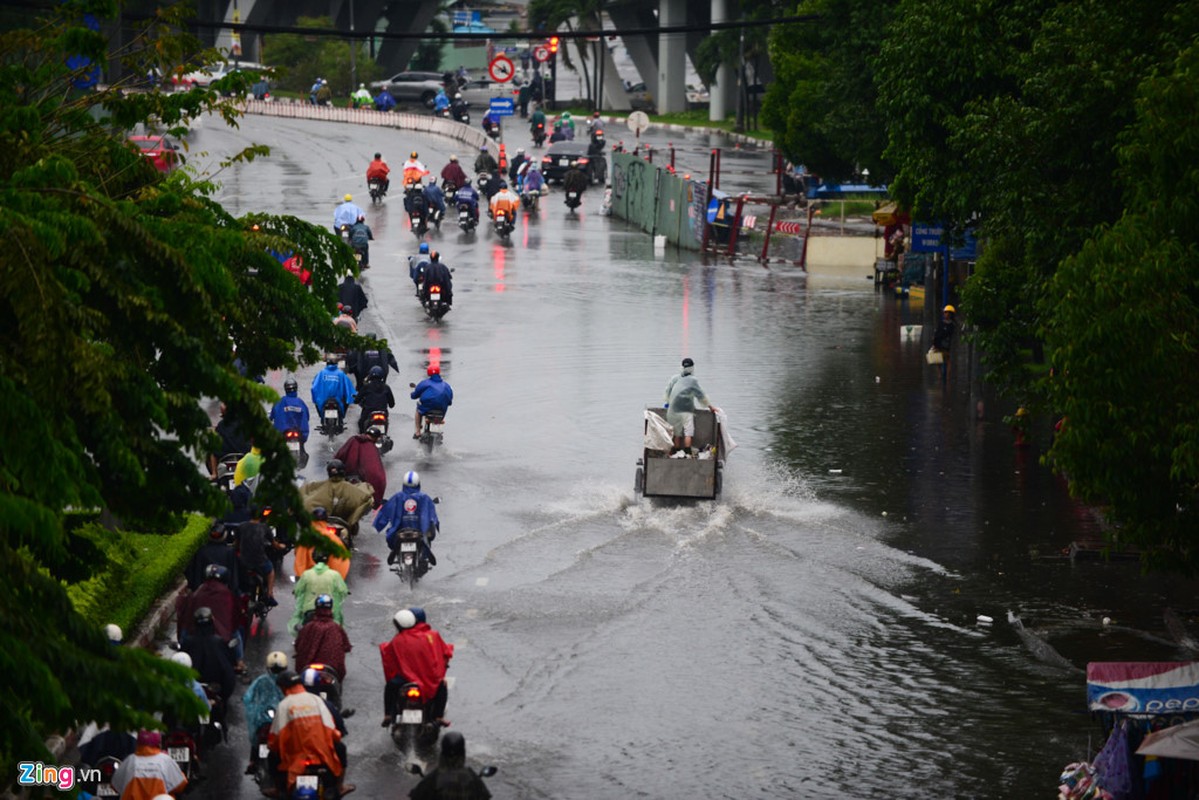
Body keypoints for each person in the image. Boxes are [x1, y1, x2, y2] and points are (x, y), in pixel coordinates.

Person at [267, 670, 352, 797]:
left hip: (295, 757)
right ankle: (340, 787)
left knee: (272, 756)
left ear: (283, 688)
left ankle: (277, 789)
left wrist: (273, 747)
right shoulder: (317, 700)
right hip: (322, 754)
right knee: (341, 748)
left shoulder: (284, 705)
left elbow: (275, 738)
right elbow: (333, 730)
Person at [379, 608, 453, 728]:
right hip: (429, 680)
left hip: (405, 679)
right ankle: (439, 717)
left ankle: (388, 715)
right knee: (442, 685)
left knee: (390, 686)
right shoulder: (432, 635)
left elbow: (389, 658)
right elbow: (444, 653)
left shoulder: (397, 640)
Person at [178, 565, 245, 670]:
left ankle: (181, 653)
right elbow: (235, 619)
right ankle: (239, 662)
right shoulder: (228, 595)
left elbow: (185, 618)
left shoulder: (196, 593)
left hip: (195, 633)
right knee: (237, 632)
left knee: (184, 632)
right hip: (222, 636)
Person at [374, 471, 440, 566]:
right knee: (428, 534)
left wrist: (378, 525)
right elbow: (432, 514)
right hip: (419, 531)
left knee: (392, 536)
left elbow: (385, 512)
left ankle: (395, 550)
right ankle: (425, 551)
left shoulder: (397, 497)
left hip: (400, 531)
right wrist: (435, 523)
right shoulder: (424, 497)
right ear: (418, 484)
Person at [408, 731, 492, 800]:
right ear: (462, 753)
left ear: (443, 752)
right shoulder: (472, 778)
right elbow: (485, 796)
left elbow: (415, 796)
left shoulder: (433, 778)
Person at [242, 651, 289, 774]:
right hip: (279, 718)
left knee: (257, 734)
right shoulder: (288, 680)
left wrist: (252, 708)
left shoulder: (262, 680)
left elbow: (248, 697)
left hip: (264, 717)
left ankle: (253, 761)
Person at [663, 357, 721, 456]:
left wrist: (667, 404)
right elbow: (701, 395)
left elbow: (667, 391)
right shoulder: (693, 380)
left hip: (673, 409)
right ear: (692, 368)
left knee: (677, 432)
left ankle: (676, 451)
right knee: (688, 432)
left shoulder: (674, 378)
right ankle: (687, 452)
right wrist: (711, 407)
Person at [180, 606, 236, 706]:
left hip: (199, 692)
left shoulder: (188, 642)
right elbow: (228, 673)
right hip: (210, 692)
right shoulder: (219, 642)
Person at [110, 730, 188, 800]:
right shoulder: (165, 760)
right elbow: (180, 785)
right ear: (158, 743)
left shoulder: (129, 761)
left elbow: (115, 786)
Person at [299, 460, 375, 530]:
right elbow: (365, 498)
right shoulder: (352, 489)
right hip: (341, 523)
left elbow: (304, 494)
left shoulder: (318, 486)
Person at [289, 551, 348, 636]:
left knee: (302, 631)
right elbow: (343, 590)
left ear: (313, 559)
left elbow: (298, 589)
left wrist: (296, 591)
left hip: (309, 610)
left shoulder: (306, 574)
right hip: (329, 610)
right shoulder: (335, 575)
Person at [294, 594, 352, 679]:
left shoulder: (308, 627)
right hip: (331, 669)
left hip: (308, 668)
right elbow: (346, 646)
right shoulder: (336, 628)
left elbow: (298, 645)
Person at [236, 504, 278, 607]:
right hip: (260, 561)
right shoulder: (264, 527)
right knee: (271, 571)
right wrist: (281, 546)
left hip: (244, 561)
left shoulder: (241, 526)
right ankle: (270, 594)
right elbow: (274, 544)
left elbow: (236, 543)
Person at [293, 507, 351, 581]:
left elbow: (300, 560)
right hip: (329, 581)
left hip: (309, 580)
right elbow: (342, 561)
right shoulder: (334, 539)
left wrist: (301, 578)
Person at [334, 427, 387, 507]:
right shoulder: (371, 448)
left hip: (347, 478)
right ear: (376, 439)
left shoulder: (353, 440)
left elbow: (340, 454)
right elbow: (376, 473)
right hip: (361, 483)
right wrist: (377, 500)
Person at [184, 520, 240, 593]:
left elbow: (192, 574)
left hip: (203, 593)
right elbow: (235, 576)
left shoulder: (201, 551)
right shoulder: (230, 552)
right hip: (224, 594)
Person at [208, 401, 251, 479]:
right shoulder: (245, 423)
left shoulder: (221, 425)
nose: (221, 406)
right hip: (244, 458)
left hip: (226, 460)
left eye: (224, 403)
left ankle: (214, 474)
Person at [310, 356, 356, 427]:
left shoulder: (321, 373)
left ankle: (323, 419)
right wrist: (352, 396)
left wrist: (315, 398)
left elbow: (314, 387)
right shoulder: (341, 374)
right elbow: (348, 387)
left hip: (323, 400)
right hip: (338, 400)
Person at [353, 366, 396, 433]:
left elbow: (357, 400)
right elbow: (392, 404)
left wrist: (357, 400)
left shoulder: (367, 387)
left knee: (360, 423)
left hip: (368, 411)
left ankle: (362, 439)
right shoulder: (386, 387)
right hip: (383, 412)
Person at [270, 379, 310, 450]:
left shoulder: (280, 401)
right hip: (299, 432)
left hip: (283, 432)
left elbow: (273, 415)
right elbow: (307, 416)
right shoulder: (300, 402)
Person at [931, 304, 956, 384]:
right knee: (941, 360)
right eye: (946, 313)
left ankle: (943, 376)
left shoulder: (949, 325)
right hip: (942, 344)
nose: (947, 314)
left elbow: (939, 334)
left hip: (943, 344)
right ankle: (943, 376)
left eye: (948, 313)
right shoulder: (949, 324)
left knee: (945, 360)